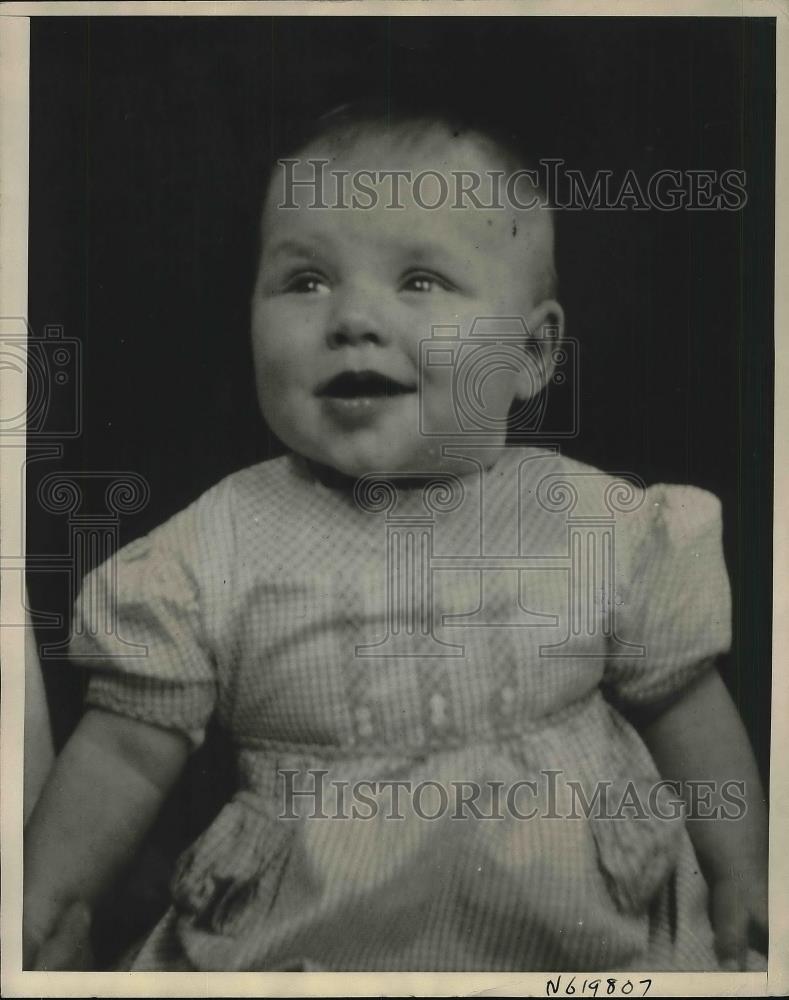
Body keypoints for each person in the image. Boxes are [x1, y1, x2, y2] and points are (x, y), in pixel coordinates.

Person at [23, 101, 768, 972]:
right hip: (308, 948)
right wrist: (46, 911)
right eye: (305, 281)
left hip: (592, 942)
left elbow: (684, 707)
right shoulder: (210, 550)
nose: (352, 319)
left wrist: (743, 876)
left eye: (420, 281)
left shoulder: (598, 525)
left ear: (531, 354)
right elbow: (120, 757)